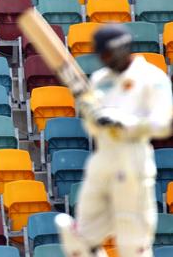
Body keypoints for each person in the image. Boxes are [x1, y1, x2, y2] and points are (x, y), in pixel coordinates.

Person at [56, 24, 173, 257]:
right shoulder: (100, 79)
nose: (104, 60)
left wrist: (124, 122)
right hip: (103, 157)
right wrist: (91, 114)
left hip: (133, 157)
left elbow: (163, 125)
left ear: (122, 49)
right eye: (101, 55)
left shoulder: (151, 77)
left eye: (107, 54)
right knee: (79, 240)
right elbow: (92, 124)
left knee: (132, 242)